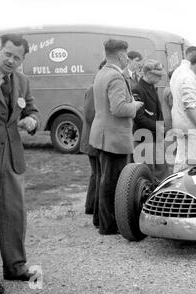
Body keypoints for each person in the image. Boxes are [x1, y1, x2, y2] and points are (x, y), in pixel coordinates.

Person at [0, 34, 40, 294]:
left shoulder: (22, 80)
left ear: (23, 60)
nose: (11, 60)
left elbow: (31, 109)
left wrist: (32, 120)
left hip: (11, 158)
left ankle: (15, 266)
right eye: (8, 54)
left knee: (14, 215)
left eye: (17, 57)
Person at [89, 39, 144, 235]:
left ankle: (99, 219)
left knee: (103, 179)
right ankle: (110, 225)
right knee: (113, 182)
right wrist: (135, 107)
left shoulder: (102, 73)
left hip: (102, 134)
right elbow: (119, 109)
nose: (127, 59)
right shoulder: (116, 77)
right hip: (114, 137)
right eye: (126, 55)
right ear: (121, 55)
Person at [170, 53, 196, 173]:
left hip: (182, 125)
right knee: (190, 162)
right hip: (190, 128)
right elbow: (190, 107)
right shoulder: (189, 79)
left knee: (182, 158)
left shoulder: (181, 75)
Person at [132, 59, 169, 181]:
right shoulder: (138, 89)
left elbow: (158, 111)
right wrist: (158, 127)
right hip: (144, 137)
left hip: (156, 136)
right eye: (157, 76)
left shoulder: (152, 87)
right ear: (148, 74)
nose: (160, 78)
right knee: (146, 173)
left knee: (162, 170)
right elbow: (139, 117)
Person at [80, 60, 106, 227]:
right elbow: (90, 116)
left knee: (96, 174)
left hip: (95, 139)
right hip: (92, 139)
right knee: (98, 175)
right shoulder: (92, 89)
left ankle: (91, 206)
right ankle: (95, 208)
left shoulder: (98, 87)